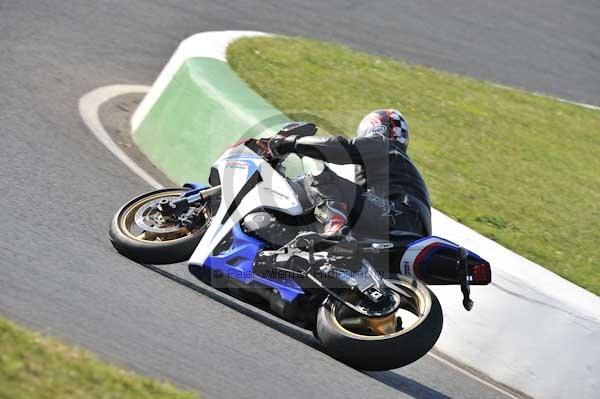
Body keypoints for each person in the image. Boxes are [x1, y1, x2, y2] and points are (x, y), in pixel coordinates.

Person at [268, 109, 431, 240]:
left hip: (398, 216)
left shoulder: (384, 144)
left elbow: (341, 148)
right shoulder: (393, 161)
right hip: (408, 226)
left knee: (318, 174)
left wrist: (292, 143)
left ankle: (336, 224)